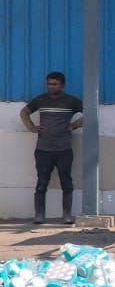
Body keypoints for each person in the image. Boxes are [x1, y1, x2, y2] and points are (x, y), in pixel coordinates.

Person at [20, 71, 83, 225]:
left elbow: (91, 112)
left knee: (66, 181)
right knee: (42, 182)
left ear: (62, 85)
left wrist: (74, 126)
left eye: (55, 84)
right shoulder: (41, 100)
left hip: (64, 149)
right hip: (43, 150)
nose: (51, 87)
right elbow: (24, 112)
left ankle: (67, 215)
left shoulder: (71, 101)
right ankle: (40, 215)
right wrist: (32, 128)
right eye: (49, 84)